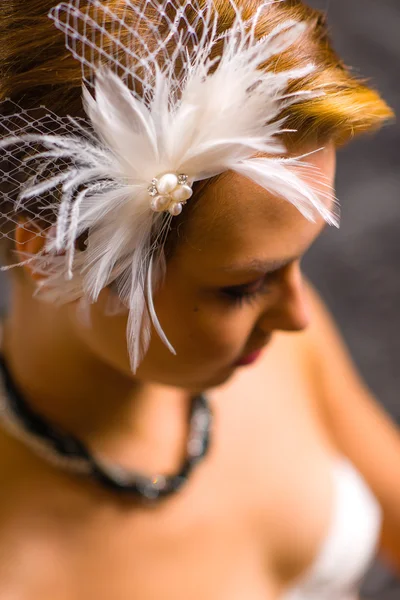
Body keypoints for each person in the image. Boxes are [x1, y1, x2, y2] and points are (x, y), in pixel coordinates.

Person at [0, 0, 399, 598]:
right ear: (54, 254)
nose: (300, 316)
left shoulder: (275, 340)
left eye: (295, 266)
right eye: (241, 288)